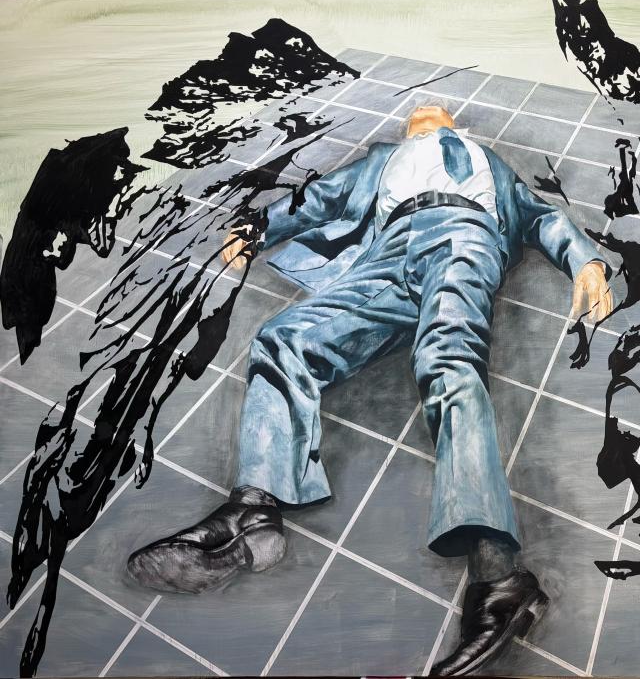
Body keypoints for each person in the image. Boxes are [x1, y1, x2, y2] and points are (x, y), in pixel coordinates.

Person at [126, 104, 613, 675]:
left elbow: (539, 215)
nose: (424, 111)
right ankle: (252, 509)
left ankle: (499, 576)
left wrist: (585, 262)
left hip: (464, 238)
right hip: (387, 255)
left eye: (435, 110)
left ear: (453, 123)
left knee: (448, 361)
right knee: (284, 339)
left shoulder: (489, 162)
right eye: (415, 114)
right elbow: (319, 198)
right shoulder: (382, 160)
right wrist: (259, 228)